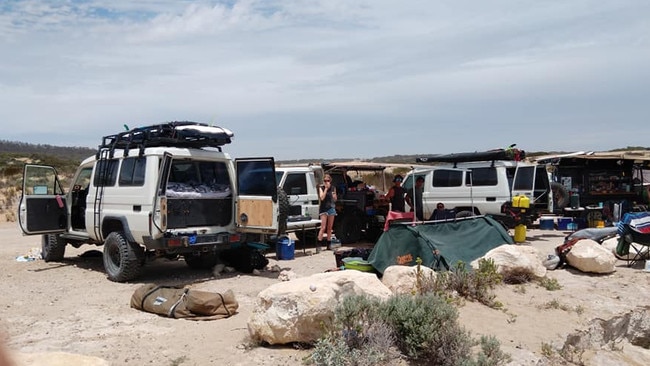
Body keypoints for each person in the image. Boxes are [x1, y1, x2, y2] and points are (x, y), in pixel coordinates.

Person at [317, 174, 337, 249]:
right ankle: (319, 243)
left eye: (328, 181)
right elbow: (322, 198)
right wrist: (325, 189)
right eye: (325, 181)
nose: (326, 182)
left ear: (330, 181)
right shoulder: (321, 188)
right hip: (323, 208)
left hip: (331, 208)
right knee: (323, 227)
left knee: (330, 227)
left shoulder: (333, 188)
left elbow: (335, 199)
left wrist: (334, 196)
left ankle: (328, 244)